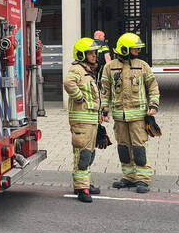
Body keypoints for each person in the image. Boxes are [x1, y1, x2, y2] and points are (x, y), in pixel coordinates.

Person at [100, 32, 160, 194]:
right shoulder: (109, 67)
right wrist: (104, 109)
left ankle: (143, 179)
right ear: (125, 49)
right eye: (135, 49)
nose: (138, 51)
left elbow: (153, 87)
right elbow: (105, 91)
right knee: (124, 148)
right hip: (119, 117)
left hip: (138, 116)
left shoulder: (142, 65)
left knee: (138, 148)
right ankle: (129, 177)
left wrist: (154, 104)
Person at [64, 38, 103, 203]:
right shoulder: (77, 69)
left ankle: (84, 183)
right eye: (90, 53)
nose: (94, 55)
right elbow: (68, 83)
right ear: (81, 54)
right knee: (83, 155)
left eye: (95, 52)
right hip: (81, 122)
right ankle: (82, 189)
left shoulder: (88, 70)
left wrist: (100, 115)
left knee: (89, 154)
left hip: (90, 121)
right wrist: (79, 98)